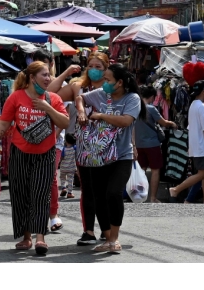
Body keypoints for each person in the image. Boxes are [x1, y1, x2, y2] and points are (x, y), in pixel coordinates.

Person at [0, 61, 69, 255]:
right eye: (44, 75)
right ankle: (26, 237)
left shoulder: (52, 99)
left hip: (46, 153)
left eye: (49, 75)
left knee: (41, 195)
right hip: (19, 152)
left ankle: (40, 238)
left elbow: (65, 123)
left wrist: (47, 108)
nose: (48, 79)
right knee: (20, 195)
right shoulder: (15, 97)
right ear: (32, 77)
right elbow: (2, 126)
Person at [75, 63, 145, 254]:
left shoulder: (132, 98)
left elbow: (126, 121)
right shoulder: (100, 94)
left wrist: (101, 115)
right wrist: (81, 111)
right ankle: (107, 238)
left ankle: (114, 238)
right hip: (98, 155)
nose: (104, 83)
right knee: (99, 197)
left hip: (122, 155)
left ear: (120, 82)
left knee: (113, 193)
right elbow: (79, 97)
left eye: (108, 80)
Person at [49, 52, 108, 246]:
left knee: (105, 190)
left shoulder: (111, 87)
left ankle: (107, 229)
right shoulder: (78, 86)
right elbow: (50, 94)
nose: (94, 70)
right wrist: (65, 72)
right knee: (88, 189)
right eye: (90, 66)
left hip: (107, 144)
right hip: (83, 144)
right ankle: (88, 231)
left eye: (98, 67)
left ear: (106, 69)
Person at [33, 49, 73, 232]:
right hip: (30, 140)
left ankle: (52, 214)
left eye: (45, 63)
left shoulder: (61, 85)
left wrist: (56, 134)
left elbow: (62, 116)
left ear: (52, 64)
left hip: (53, 140)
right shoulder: (26, 85)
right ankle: (35, 214)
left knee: (50, 178)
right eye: (36, 62)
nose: (42, 66)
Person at [168, 80, 204, 204]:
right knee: (202, 173)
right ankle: (176, 189)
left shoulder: (193, 105)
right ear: (203, 91)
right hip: (202, 146)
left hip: (198, 145)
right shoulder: (202, 107)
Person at [135, 85, 178, 203]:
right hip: (152, 144)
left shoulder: (134, 107)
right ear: (152, 96)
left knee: (141, 170)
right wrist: (173, 124)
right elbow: (163, 123)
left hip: (138, 144)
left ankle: (139, 197)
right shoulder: (151, 108)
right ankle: (153, 198)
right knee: (155, 170)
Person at [59, 133, 77, 198]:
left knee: (62, 178)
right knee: (70, 180)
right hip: (71, 167)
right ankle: (69, 193)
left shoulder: (63, 149)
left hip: (63, 167)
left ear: (66, 141)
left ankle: (63, 188)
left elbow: (61, 158)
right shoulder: (74, 148)